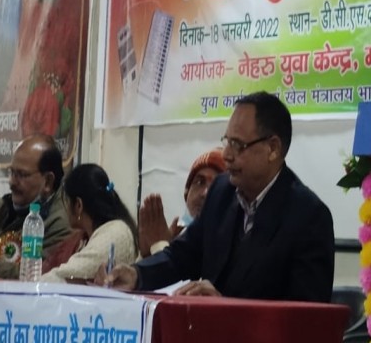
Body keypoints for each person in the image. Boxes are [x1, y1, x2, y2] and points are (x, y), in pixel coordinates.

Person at [101, 91, 335, 302]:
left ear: (273, 148)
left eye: (238, 145)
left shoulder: (309, 217)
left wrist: (226, 308)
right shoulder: (222, 192)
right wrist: (137, 274)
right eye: (227, 142)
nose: (226, 155)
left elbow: (306, 319)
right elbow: (183, 255)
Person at [0, 134, 72, 278]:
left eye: (21, 175)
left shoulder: (61, 222)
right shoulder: (5, 205)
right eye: (11, 172)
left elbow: (38, 275)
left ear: (48, 182)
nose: (12, 182)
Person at [40, 164, 137, 282]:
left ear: (78, 205)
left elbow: (62, 276)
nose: (64, 210)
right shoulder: (83, 237)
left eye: (66, 202)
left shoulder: (116, 233)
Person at [138, 149, 225, 257]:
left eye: (215, 186)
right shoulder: (183, 240)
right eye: (199, 182)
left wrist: (159, 245)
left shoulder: (230, 246)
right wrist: (147, 255)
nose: (205, 193)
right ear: (187, 193)